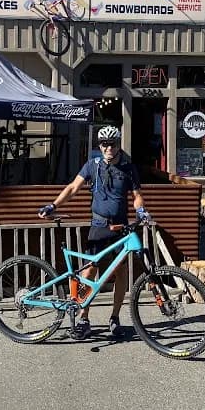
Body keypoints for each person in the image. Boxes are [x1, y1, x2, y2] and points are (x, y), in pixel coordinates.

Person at [38, 125, 151, 340]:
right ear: (100, 146)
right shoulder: (92, 165)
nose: (109, 147)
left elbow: (137, 195)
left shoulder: (128, 167)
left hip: (120, 227)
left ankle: (115, 318)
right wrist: (53, 205)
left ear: (119, 144)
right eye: (105, 144)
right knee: (89, 271)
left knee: (120, 273)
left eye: (113, 143)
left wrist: (141, 210)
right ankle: (84, 319)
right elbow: (73, 187)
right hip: (98, 226)